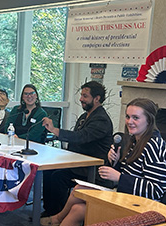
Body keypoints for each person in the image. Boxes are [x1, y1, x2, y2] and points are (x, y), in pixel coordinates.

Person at [41, 98, 166, 226]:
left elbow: (155, 190)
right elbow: (132, 172)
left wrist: (119, 177)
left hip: (141, 205)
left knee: (78, 204)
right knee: (79, 193)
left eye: (136, 118)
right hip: (128, 196)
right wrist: (116, 162)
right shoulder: (136, 140)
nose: (130, 122)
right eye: (128, 117)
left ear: (149, 120)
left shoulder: (153, 146)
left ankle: (56, 225)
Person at [40, 81, 113, 216]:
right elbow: (75, 140)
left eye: (85, 96)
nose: (81, 99)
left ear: (97, 99)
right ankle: (49, 211)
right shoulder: (84, 117)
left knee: (58, 176)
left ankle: (57, 216)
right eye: (81, 95)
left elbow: (81, 137)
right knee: (48, 171)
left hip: (92, 169)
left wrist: (55, 130)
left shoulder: (101, 120)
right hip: (79, 162)